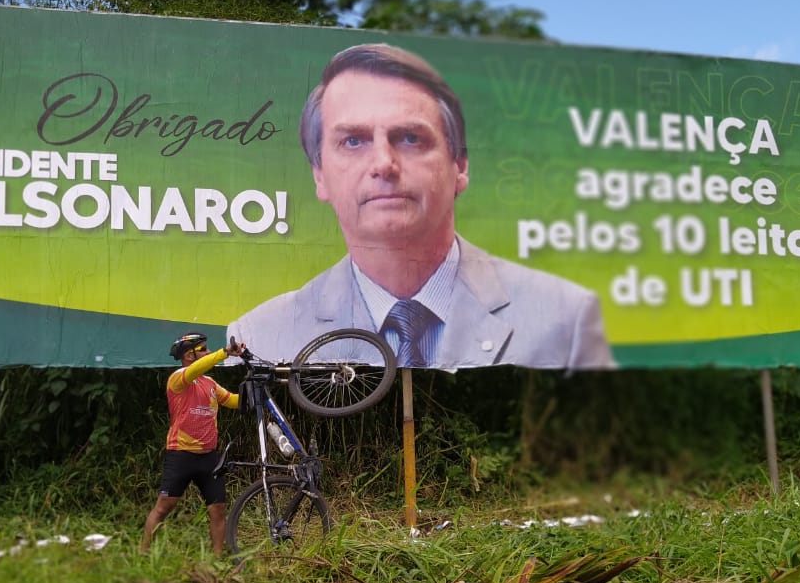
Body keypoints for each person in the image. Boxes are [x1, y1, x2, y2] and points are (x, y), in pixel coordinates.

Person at [228, 43, 615, 370]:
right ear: (319, 175)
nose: (383, 164)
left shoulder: (565, 320)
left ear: (460, 165)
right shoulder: (259, 338)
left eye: (410, 138)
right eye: (353, 141)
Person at [139, 332, 244, 556]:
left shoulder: (210, 383)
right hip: (181, 454)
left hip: (209, 457)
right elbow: (197, 369)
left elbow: (232, 401)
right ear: (188, 355)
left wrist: (252, 391)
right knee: (163, 507)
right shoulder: (178, 378)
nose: (208, 352)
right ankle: (143, 553)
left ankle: (217, 559)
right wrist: (224, 352)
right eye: (203, 349)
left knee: (217, 509)